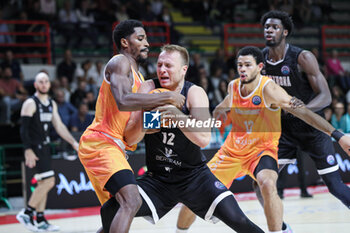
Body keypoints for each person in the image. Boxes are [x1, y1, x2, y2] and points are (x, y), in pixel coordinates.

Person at [176, 46, 350, 233]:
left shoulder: (270, 89)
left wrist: (338, 135)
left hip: (261, 151)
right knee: (194, 193)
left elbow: (305, 114)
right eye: (240, 65)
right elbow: (223, 105)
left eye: (247, 65)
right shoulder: (233, 86)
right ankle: (180, 231)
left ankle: (280, 231)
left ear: (259, 67)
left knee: (267, 183)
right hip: (231, 152)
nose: (242, 69)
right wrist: (219, 113)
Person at [100, 44, 264, 233]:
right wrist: (147, 122)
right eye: (159, 64)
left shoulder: (195, 93)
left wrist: (175, 114)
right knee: (110, 210)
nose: (162, 69)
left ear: (183, 70)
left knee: (239, 220)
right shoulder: (148, 88)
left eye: (168, 65)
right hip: (158, 179)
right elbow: (130, 138)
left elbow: (203, 138)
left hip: (194, 177)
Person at [77, 20, 185, 233]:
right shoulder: (120, 62)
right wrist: (167, 97)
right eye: (140, 38)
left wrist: (161, 122)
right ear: (125, 42)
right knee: (132, 201)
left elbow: (133, 134)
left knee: (112, 218)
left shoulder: (140, 78)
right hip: (101, 142)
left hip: (118, 147)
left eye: (146, 38)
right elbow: (123, 100)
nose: (147, 43)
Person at [255, 10, 350, 231]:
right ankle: (282, 228)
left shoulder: (302, 57)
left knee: (335, 187)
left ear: (285, 32)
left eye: (274, 27)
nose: (269, 30)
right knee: (261, 184)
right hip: (283, 132)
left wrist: (302, 110)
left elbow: (326, 95)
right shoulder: (260, 60)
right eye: (266, 27)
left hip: (312, 129)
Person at [16, 72, 79, 232]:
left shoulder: (51, 103)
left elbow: (59, 126)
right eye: (40, 82)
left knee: (44, 183)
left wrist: (73, 142)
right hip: (35, 147)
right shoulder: (30, 103)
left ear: (49, 84)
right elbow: (23, 130)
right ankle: (27, 213)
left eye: (46, 81)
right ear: (36, 85)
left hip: (45, 146)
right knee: (49, 181)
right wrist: (28, 149)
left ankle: (41, 219)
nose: (44, 84)